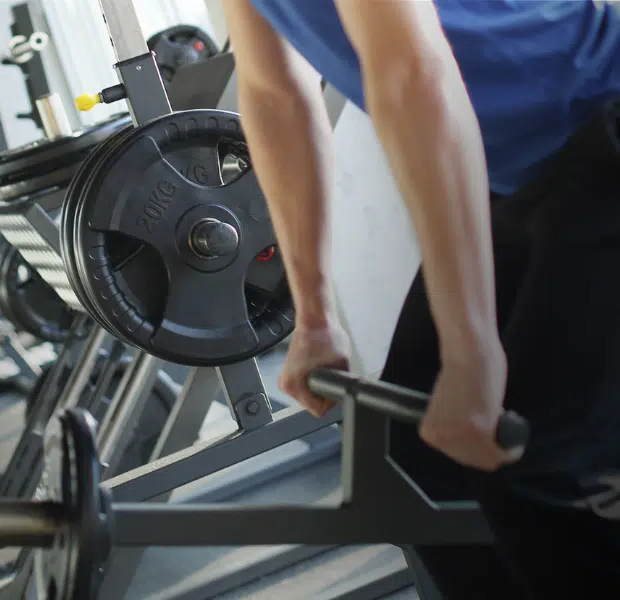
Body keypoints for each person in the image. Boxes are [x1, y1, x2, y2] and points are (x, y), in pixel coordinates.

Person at [222, 0, 620, 597]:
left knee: (542, 461)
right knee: (417, 456)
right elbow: (274, 92)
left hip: (599, 126)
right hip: (529, 181)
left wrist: (472, 350)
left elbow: (412, 69)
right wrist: (313, 316)